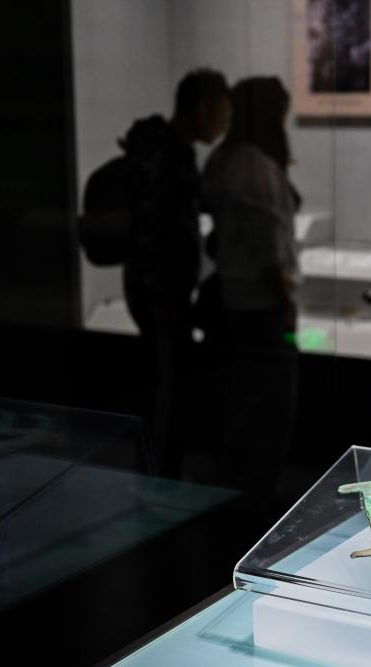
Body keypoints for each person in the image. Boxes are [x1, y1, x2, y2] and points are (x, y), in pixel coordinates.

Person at [121, 68, 231, 476]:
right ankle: (159, 477)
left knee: (165, 383)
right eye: (222, 113)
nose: (223, 124)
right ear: (202, 109)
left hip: (156, 287)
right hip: (161, 290)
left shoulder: (163, 151)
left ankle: (160, 471)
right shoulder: (169, 157)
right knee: (167, 388)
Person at [202, 76, 300, 504]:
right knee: (268, 407)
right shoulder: (252, 164)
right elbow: (266, 245)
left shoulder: (226, 158)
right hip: (261, 304)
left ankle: (241, 490)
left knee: (247, 401)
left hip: (238, 298)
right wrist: (284, 301)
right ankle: (255, 496)